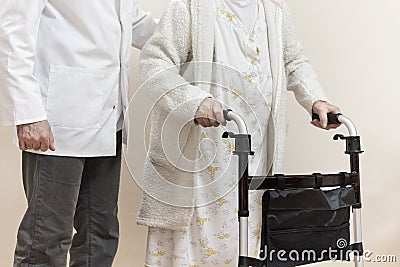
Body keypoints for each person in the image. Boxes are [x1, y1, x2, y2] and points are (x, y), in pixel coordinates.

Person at [136, 0, 341, 266]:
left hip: (256, 153)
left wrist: (316, 100)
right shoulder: (192, 5)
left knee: (247, 239)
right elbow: (156, 61)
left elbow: (293, 60)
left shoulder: (274, 8)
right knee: (193, 247)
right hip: (200, 156)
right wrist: (194, 102)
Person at [0, 0, 157, 266]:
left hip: (109, 117)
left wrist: (190, 33)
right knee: (47, 237)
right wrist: (29, 114)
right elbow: (12, 32)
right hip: (56, 122)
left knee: (100, 235)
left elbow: (133, 20)